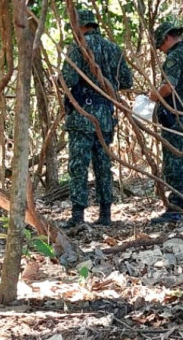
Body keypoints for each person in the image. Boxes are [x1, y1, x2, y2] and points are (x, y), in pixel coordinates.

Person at [61, 10, 133, 227]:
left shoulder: (78, 48)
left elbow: (68, 79)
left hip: (83, 115)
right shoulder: (113, 49)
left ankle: (78, 216)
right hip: (105, 116)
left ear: (80, 26)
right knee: (103, 164)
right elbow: (126, 81)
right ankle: (105, 214)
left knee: (78, 165)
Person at [149, 21, 183, 224]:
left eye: (161, 45)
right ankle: (180, 205)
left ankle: (175, 209)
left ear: (168, 38)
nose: (161, 50)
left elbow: (168, 86)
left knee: (174, 160)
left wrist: (153, 95)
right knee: (182, 158)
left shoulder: (175, 56)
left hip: (175, 114)